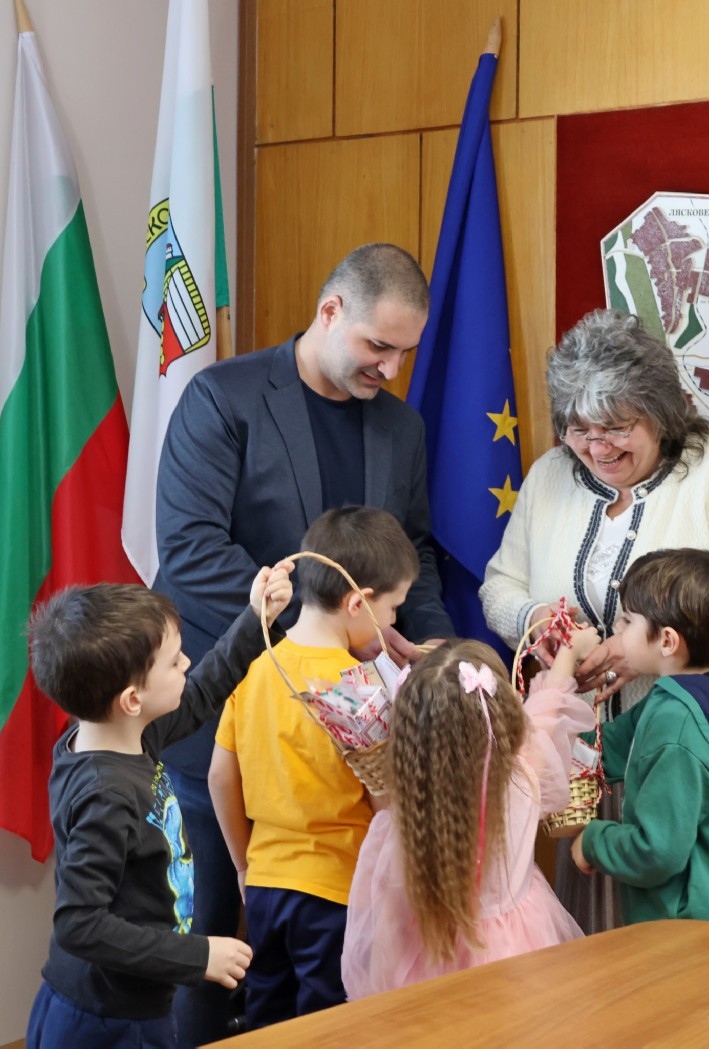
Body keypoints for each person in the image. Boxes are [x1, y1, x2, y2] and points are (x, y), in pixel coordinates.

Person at [154, 243, 453, 1043]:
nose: (390, 368)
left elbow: (415, 553)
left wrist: (436, 646)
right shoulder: (222, 398)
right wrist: (324, 625)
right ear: (330, 311)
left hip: (349, 769)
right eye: (378, 345)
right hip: (226, 728)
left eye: (405, 352)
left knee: (327, 975)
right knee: (208, 949)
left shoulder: (401, 426)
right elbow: (190, 551)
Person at [480, 307, 709, 934]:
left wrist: (638, 651)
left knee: (693, 930)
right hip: (586, 763)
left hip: (691, 754)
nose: (597, 447)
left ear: (659, 414)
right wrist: (539, 623)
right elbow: (498, 587)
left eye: (617, 428)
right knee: (599, 944)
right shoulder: (548, 477)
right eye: (579, 429)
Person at [25, 563, 293, 1049]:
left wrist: (257, 617)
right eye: (172, 662)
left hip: (134, 1002)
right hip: (108, 1020)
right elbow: (79, 923)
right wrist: (198, 956)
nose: (187, 663)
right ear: (132, 699)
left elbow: (202, 691)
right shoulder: (106, 794)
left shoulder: (121, 734)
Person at [208, 506, 420, 1029]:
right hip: (336, 893)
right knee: (328, 1027)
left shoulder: (255, 667)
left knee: (268, 1018)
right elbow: (385, 800)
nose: (394, 623)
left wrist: (243, 866)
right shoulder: (360, 689)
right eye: (393, 608)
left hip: (265, 884)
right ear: (358, 603)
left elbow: (220, 776)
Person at [341, 626, 601, 999]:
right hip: (520, 950)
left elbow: (385, 916)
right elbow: (547, 711)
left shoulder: (405, 815)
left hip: (430, 956)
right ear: (502, 713)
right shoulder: (525, 776)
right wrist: (569, 653)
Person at [571, 548, 709, 927]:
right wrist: (555, 738)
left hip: (691, 933)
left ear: (667, 641)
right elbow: (614, 744)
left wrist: (594, 842)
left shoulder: (678, 726)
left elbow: (658, 852)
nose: (618, 630)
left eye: (627, 620)